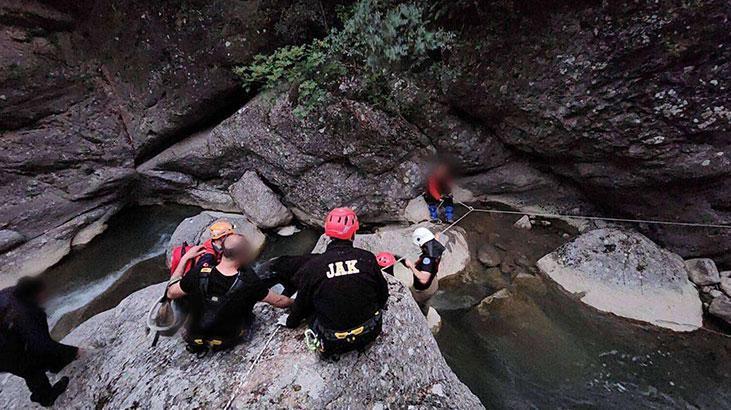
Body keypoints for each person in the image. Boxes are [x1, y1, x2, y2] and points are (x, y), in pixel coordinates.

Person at [286, 208, 389, 358]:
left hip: (332, 341)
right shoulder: (367, 259)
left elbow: (301, 305)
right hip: (370, 332)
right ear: (353, 234)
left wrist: (291, 322)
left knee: (314, 304)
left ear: (328, 234)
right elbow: (383, 295)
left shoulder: (313, 267)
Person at [166, 234, 293, 354]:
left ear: (222, 251)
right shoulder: (249, 281)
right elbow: (279, 302)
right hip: (227, 340)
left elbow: (171, 293)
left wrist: (185, 258)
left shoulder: (199, 272)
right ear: (243, 255)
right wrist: (294, 301)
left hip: (194, 337)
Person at [0, 277, 80, 406]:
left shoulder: (9, 294)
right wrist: (74, 352)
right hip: (4, 352)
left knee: (26, 355)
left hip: (6, 339)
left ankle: (54, 364)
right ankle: (45, 397)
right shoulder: (27, 314)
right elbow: (42, 345)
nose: (46, 295)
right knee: (28, 367)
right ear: (35, 294)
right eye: (43, 292)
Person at [405, 227, 445, 314]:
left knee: (420, 304)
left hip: (423, 290)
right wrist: (436, 236)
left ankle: (421, 316)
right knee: (426, 302)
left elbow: (423, 279)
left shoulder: (427, 260)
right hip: (433, 284)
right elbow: (435, 241)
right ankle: (425, 310)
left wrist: (411, 266)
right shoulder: (436, 247)